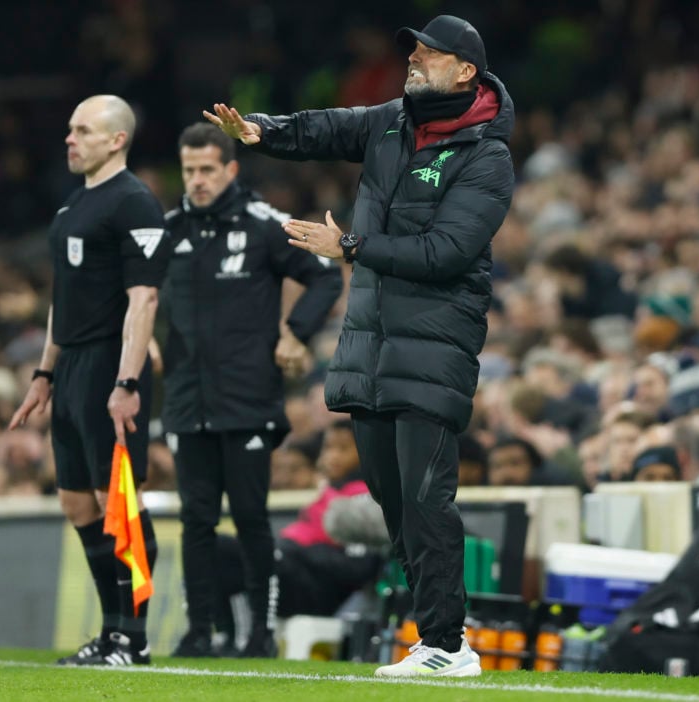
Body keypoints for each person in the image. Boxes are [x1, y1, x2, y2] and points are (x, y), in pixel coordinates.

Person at [206, 14, 514, 677]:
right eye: (414, 51)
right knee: (392, 498)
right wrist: (264, 131)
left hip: (434, 345)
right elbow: (327, 126)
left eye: (430, 54)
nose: (414, 60)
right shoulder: (393, 121)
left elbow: (447, 252)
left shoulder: (487, 156)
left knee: (427, 495)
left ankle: (447, 644)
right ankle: (437, 637)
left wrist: (348, 246)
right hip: (371, 343)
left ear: (466, 71)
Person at [163, 123, 342, 658]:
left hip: (247, 397)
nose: (196, 181)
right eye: (189, 170)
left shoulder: (264, 224)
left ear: (230, 169)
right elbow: (139, 294)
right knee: (195, 519)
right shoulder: (169, 230)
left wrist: (295, 332)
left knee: (249, 517)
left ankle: (259, 633)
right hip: (185, 399)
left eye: (207, 170)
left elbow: (325, 276)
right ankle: (201, 630)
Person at [8, 95, 169, 666]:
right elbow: (63, 297)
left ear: (115, 140)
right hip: (71, 364)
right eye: (70, 128)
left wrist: (127, 381)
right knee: (78, 504)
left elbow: (144, 297)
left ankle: (135, 637)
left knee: (117, 501)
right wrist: (44, 372)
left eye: (82, 130)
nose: (69, 139)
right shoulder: (75, 204)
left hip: (109, 363)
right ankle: (110, 631)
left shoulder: (134, 204)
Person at [212, 420, 387, 647]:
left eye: (343, 448)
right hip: (290, 567)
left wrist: (296, 553)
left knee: (239, 554)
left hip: (317, 589)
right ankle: (227, 634)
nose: (332, 456)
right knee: (214, 547)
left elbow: (359, 567)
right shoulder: (330, 490)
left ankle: (242, 639)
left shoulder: (367, 496)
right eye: (328, 448)